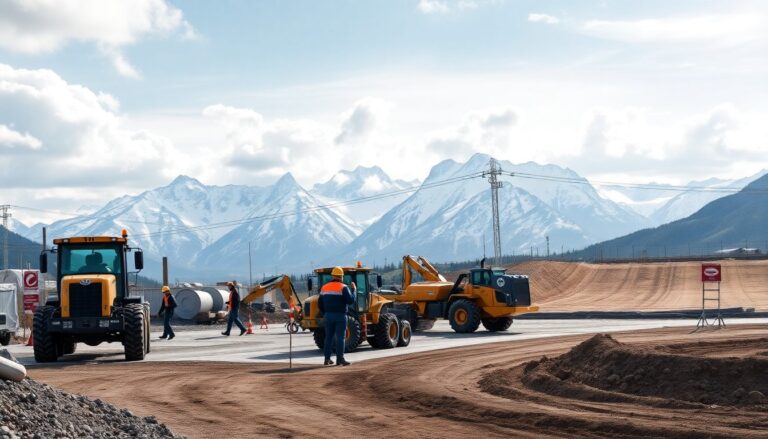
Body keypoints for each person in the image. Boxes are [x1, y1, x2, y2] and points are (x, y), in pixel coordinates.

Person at [318, 266, 355, 366]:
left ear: (333, 276)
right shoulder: (343, 287)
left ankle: (327, 359)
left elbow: (320, 304)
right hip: (340, 315)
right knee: (340, 338)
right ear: (341, 277)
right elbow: (350, 301)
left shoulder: (324, 287)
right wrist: (354, 290)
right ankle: (340, 359)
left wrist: (325, 313)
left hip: (328, 316)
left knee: (328, 338)